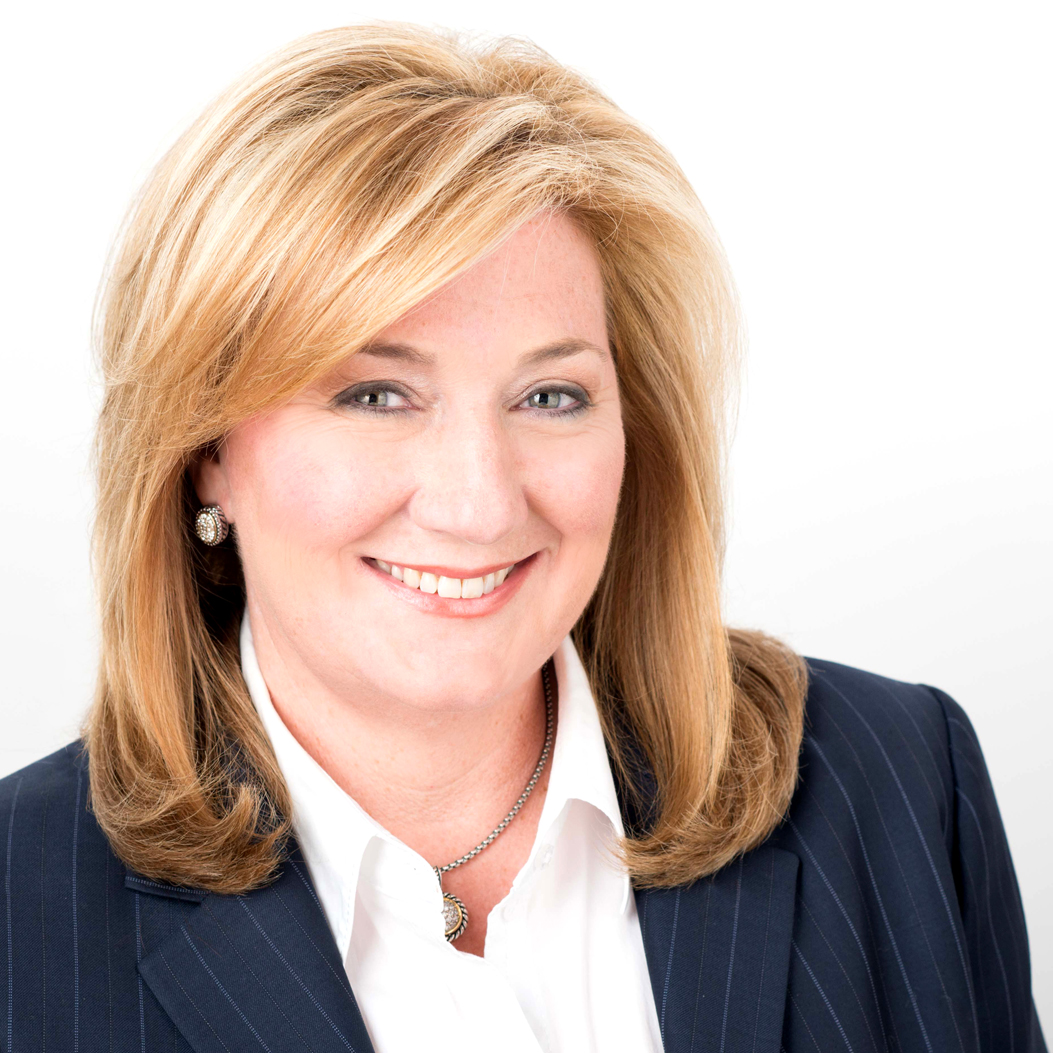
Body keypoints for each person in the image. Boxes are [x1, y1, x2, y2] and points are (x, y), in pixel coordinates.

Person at [0, 22, 1045, 1053]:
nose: (480, 504)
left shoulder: (896, 777)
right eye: (375, 394)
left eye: (550, 395)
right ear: (203, 449)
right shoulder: (20, 905)